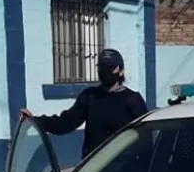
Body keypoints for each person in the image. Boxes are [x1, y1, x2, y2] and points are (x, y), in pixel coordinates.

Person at [20, 48, 148, 159]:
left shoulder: (133, 100)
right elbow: (65, 123)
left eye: (110, 68)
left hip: (122, 167)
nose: (105, 72)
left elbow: (145, 137)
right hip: (93, 168)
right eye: (102, 68)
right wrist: (35, 120)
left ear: (121, 70)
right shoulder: (90, 97)